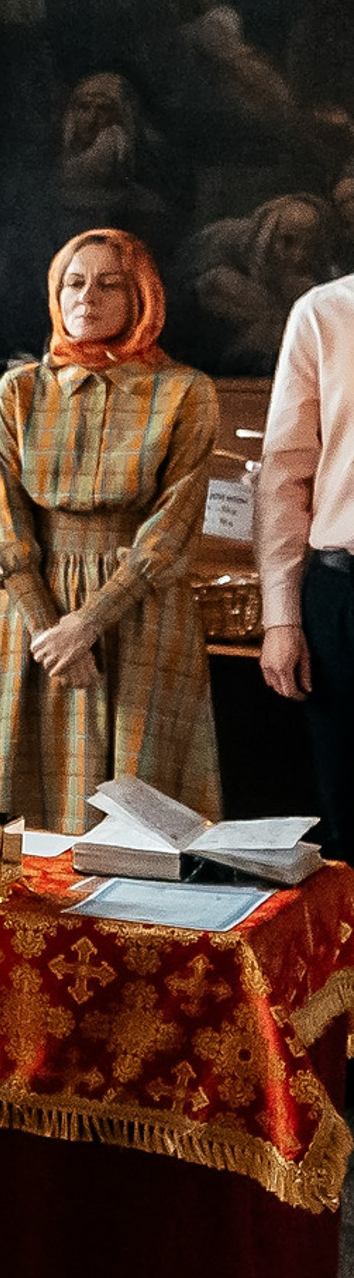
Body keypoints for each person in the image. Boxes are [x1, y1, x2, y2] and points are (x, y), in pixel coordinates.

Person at [0, 231, 220, 830]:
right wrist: (53, 630)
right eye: (74, 282)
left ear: (142, 296)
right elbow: (4, 519)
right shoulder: (21, 391)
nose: (87, 297)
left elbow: (171, 528)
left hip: (138, 611)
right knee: (11, 813)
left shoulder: (184, 393)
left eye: (109, 283)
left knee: (140, 809)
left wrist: (90, 621)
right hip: (31, 613)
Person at [257, 263, 354, 855]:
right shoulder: (325, 311)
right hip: (344, 594)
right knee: (348, 819)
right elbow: (285, 475)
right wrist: (281, 618)